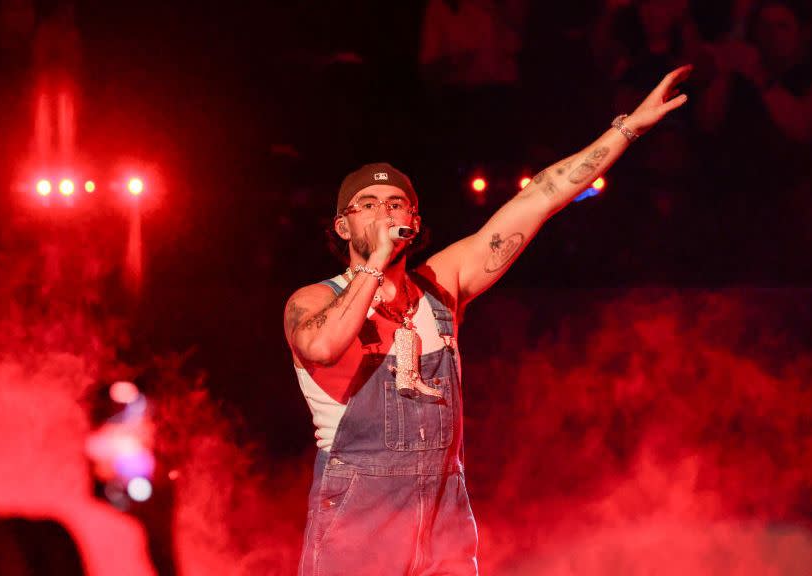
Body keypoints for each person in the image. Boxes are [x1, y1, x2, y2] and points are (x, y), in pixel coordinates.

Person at [284, 66, 693, 575]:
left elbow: (538, 197)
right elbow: (322, 347)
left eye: (396, 204)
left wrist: (628, 127)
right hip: (360, 521)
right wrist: (373, 265)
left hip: (442, 512)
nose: (383, 213)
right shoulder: (313, 300)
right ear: (343, 225)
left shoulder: (441, 286)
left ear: (414, 220)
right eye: (367, 205)